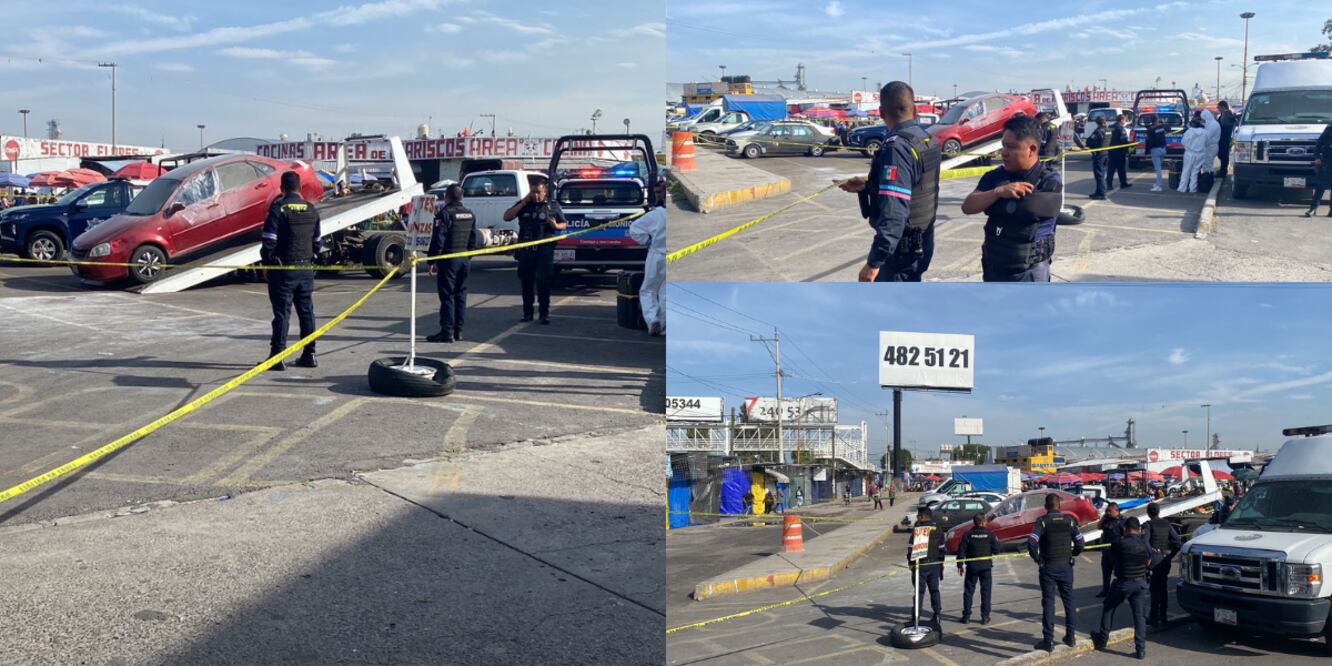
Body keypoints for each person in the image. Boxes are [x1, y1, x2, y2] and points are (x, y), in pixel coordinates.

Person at [839, 81, 941, 282]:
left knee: (890, 309)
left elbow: (894, 213)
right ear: (916, 109)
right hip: (922, 241)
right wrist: (869, 186)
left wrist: (874, 262)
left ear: (881, 112)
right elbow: (915, 186)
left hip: (900, 253)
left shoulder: (896, 149)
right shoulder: (925, 139)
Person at [961, 115, 1064, 282]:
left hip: (1029, 272)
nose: (1004, 153)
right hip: (994, 265)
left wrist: (991, 205)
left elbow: (1027, 210)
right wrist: (998, 192)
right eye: (1003, 146)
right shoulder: (996, 176)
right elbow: (968, 207)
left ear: (1031, 149)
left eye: (1011, 147)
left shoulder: (1049, 180)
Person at [260, 171, 321, 371]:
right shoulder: (311, 209)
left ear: (282, 188)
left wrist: (267, 265)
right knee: (306, 313)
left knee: (282, 314)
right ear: (299, 187)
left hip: (283, 269)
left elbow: (269, 241)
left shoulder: (278, 208)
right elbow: (317, 242)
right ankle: (309, 354)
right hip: (305, 268)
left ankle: (277, 357)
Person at [503, 180, 567, 324]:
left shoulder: (552, 205)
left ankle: (544, 314)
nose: (536, 195)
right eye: (533, 192)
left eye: (538, 192)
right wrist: (524, 201)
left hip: (544, 250)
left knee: (543, 282)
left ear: (544, 191)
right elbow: (507, 217)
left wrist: (556, 225)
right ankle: (527, 313)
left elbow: (564, 224)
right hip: (526, 250)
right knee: (526, 282)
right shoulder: (524, 205)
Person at [1029, 493, 1085, 652]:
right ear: (1059, 506)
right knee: (1069, 602)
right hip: (1065, 567)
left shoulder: (1043, 522)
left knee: (1048, 603)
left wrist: (1037, 559)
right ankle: (1071, 637)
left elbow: (1031, 542)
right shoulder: (1069, 521)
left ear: (1046, 506)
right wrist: (1073, 555)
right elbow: (1081, 542)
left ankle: (1048, 641)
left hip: (1049, 567)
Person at [1092, 517, 1154, 660]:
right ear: (1138, 530)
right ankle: (1140, 650)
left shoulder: (1119, 543)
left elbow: (1111, 559)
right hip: (1140, 583)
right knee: (1139, 617)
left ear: (1125, 529)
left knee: (1108, 607)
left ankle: (1102, 640)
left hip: (1123, 583)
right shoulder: (1145, 544)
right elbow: (1148, 560)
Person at [426, 184, 477, 343]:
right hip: (464, 259)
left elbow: (438, 239)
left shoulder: (445, 214)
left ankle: (447, 331)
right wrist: (467, 256)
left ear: (446, 197)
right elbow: (473, 239)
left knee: (447, 295)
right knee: (461, 294)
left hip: (449, 260)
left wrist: (431, 260)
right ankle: (458, 331)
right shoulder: (470, 214)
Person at [627, 178, 668, 336]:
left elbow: (634, 229)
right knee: (665, 292)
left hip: (656, 254)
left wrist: (647, 241)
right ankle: (664, 325)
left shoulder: (656, 215)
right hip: (673, 256)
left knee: (648, 290)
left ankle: (652, 320)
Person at [1143, 502, 1182, 627]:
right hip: (1165, 559)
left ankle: (1154, 617)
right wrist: (1170, 556)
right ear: (1159, 512)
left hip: (1154, 560)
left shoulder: (1148, 525)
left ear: (1148, 513)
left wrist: (1149, 557)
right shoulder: (1167, 524)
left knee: (1154, 589)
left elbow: (1145, 543)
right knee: (1163, 588)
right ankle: (1163, 616)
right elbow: (1177, 542)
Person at [908, 506, 947, 630]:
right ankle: (937, 614)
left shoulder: (917, 529)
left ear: (923, 516)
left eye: (918, 516)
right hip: (934, 564)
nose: (917, 518)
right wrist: (941, 563)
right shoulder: (937, 528)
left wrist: (911, 563)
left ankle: (916, 616)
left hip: (920, 565)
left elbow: (910, 548)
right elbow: (942, 548)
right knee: (934, 590)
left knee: (919, 591)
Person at [957, 513, 1000, 624]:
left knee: (968, 591)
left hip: (972, 567)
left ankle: (966, 616)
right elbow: (997, 550)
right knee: (986, 592)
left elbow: (961, 550)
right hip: (986, 567)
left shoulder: (967, 534)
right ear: (982, 522)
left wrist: (960, 565)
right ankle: (985, 617)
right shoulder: (990, 534)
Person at [1097, 502, 1125, 598]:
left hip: (1117, 551)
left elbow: (1125, 534)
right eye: (1107, 511)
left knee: (1119, 572)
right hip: (1107, 551)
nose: (1108, 512)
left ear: (1116, 510)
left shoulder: (1122, 520)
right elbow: (1098, 526)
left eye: (1110, 511)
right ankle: (1105, 591)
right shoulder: (1107, 519)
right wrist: (1104, 516)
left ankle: (1121, 591)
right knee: (1106, 572)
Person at [1305, 123, 1332, 217]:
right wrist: (1317, 157)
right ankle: (1313, 208)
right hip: (1327, 162)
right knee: (1320, 186)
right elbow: (1318, 145)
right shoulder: (1329, 128)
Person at [1177, 118, 1208, 193]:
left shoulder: (1189, 131)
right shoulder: (1205, 132)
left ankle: (1182, 188)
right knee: (1195, 172)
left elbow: (1183, 142)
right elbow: (1207, 143)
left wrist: (1188, 147)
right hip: (1200, 154)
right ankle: (1193, 189)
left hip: (1189, 153)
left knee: (1186, 171)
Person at [1086, 116, 1110, 199]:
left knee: (1099, 175)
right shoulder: (1108, 130)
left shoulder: (1098, 131)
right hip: (1106, 153)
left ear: (1097, 122)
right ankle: (1098, 192)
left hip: (1099, 155)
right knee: (1102, 174)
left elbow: (1089, 141)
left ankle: (1102, 194)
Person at [1108, 114, 1132, 190]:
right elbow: (1124, 141)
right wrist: (1129, 146)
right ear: (1121, 120)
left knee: (1111, 169)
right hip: (1120, 152)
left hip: (1111, 151)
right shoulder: (1121, 129)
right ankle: (1123, 183)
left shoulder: (1110, 127)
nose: (1125, 122)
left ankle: (1109, 184)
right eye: (1125, 120)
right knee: (1121, 169)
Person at [1145, 114, 1169, 192]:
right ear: (1157, 119)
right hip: (1163, 148)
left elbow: (1149, 141)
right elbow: (1169, 128)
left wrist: (1146, 152)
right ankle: (1157, 183)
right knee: (1159, 168)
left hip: (1155, 150)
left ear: (1151, 120)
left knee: (1157, 169)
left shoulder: (1150, 129)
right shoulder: (1161, 126)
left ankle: (1158, 186)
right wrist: (1162, 123)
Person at [1216, 101, 1237, 178]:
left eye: (1219, 107)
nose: (1218, 109)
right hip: (1225, 138)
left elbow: (1224, 125)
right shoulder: (1226, 114)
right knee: (1223, 154)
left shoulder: (1226, 114)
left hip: (1224, 138)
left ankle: (1223, 171)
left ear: (1223, 107)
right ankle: (1223, 170)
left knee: (1223, 154)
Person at [1201, 109, 1221, 178]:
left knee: (1207, 163)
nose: (1203, 121)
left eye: (1203, 119)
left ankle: (1208, 178)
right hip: (1211, 146)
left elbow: (1207, 136)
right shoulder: (1212, 123)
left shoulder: (1213, 125)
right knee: (1208, 163)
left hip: (1211, 147)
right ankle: (1208, 178)